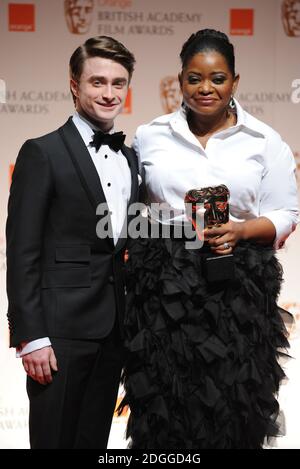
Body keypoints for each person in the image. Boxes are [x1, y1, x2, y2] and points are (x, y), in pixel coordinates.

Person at [120, 29, 299, 449]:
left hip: (236, 286)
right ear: (180, 80)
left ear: (235, 82)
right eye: (194, 78)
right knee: (165, 405)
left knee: (234, 406)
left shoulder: (265, 141)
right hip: (164, 292)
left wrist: (239, 229)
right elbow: (130, 204)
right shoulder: (150, 135)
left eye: (218, 78)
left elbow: (286, 214)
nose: (206, 88)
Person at [6, 35, 139, 449]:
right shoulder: (41, 153)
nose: (109, 93)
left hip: (114, 332)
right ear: (74, 85)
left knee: (94, 443)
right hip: (58, 335)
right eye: (98, 82)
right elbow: (23, 250)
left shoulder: (130, 158)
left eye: (119, 83)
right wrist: (32, 337)